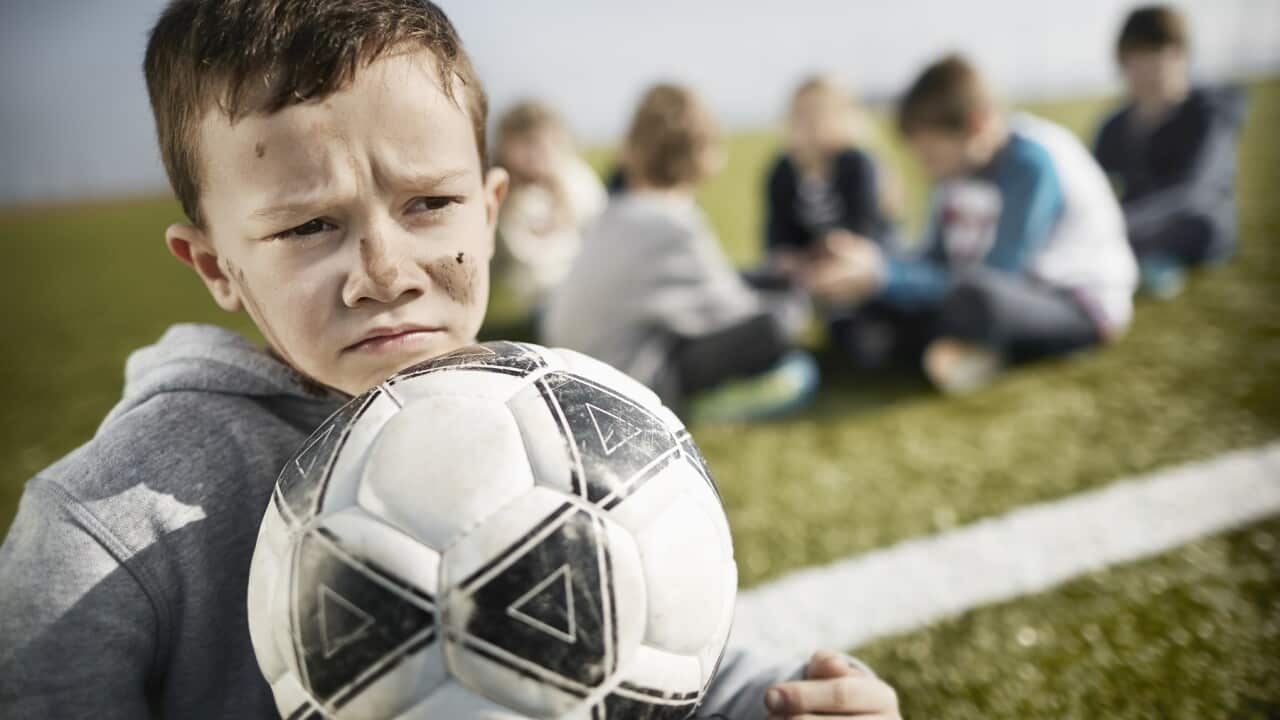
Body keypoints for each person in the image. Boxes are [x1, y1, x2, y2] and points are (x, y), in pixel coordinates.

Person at [0, 2, 900, 719]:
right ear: (215, 265)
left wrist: (784, 701)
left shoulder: (563, 426)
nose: (385, 274)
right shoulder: (100, 534)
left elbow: (656, 657)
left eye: (429, 203)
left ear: (490, 208)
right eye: (309, 225)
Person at [804, 55, 1137, 393]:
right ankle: (945, 349)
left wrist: (883, 275)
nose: (925, 168)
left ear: (975, 126)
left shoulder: (1032, 162)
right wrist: (870, 267)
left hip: (1069, 303)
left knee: (976, 300)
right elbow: (934, 260)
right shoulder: (955, 170)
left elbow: (1001, 275)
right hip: (973, 292)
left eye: (931, 154)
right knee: (874, 309)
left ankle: (935, 347)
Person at [543, 83, 819, 423]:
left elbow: (702, 286)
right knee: (780, 327)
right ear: (702, 152)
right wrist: (803, 296)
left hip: (576, 365)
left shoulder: (616, 209)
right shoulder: (674, 224)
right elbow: (733, 311)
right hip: (630, 379)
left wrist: (770, 275)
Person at [1094, 4, 1247, 298]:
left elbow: (1195, 191)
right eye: (1133, 61)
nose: (1144, 72)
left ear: (1179, 56)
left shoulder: (1208, 114)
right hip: (1130, 229)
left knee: (1201, 223)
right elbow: (1092, 187)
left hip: (1194, 225)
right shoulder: (1114, 127)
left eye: (1154, 58)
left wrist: (1117, 225)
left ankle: (1139, 265)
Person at [764, 74, 901, 281]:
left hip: (864, 256)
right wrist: (786, 255)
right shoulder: (783, 170)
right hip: (808, 262)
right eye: (799, 114)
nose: (807, 124)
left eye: (816, 115)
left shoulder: (857, 163)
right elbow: (777, 231)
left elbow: (865, 227)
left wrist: (835, 244)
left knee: (850, 271)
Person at [493, 100, 606, 307]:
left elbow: (600, 228)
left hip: (585, 282)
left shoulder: (575, 178)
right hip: (542, 295)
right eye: (528, 143)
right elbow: (527, 257)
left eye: (548, 141)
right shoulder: (508, 196)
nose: (540, 152)